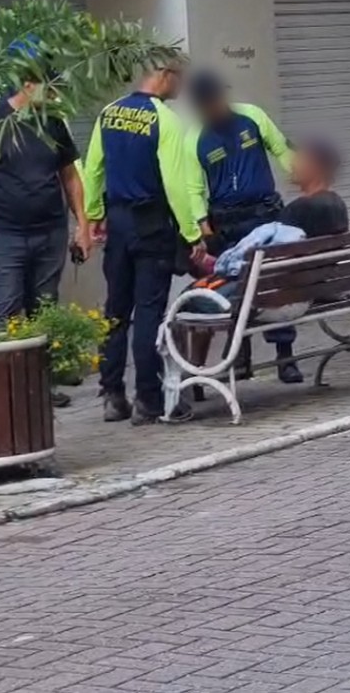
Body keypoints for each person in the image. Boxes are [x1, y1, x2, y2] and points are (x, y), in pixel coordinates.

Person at [0, 57, 91, 408]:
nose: (54, 96)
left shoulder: (52, 122)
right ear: (29, 85)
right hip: (5, 234)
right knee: (4, 310)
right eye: (49, 88)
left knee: (44, 310)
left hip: (49, 231)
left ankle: (39, 387)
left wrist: (81, 225)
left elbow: (69, 175)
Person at [82, 60, 203, 426]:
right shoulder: (164, 120)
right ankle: (148, 399)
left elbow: (93, 168)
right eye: (180, 79)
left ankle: (113, 395)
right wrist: (191, 233)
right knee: (148, 311)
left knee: (116, 311)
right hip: (151, 224)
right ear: (166, 76)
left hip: (117, 222)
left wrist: (93, 213)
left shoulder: (109, 113)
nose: (181, 89)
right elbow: (175, 184)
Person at [182, 139, 350, 373]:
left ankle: (189, 376)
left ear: (316, 168)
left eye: (300, 159)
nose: (293, 164)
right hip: (305, 292)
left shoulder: (297, 212)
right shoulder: (337, 206)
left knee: (188, 298)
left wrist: (212, 264)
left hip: (276, 300)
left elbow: (255, 265)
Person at [185, 70, 303, 383]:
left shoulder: (252, 116)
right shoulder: (195, 137)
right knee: (236, 290)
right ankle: (240, 356)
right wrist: (203, 229)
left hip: (264, 217)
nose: (216, 106)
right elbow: (193, 188)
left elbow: (280, 148)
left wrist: (299, 171)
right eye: (208, 103)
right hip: (228, 224)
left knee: (275, 286)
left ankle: (285, 357)